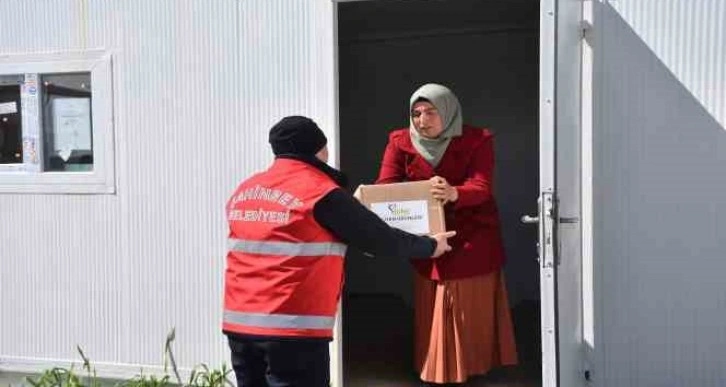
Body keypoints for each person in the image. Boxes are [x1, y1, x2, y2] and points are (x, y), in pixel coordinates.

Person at [222, 115, 456, 387]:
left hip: (239, 327)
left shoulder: (245, 190)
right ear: (317, 149)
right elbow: (379, 239)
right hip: (291, 329)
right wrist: (430, 246)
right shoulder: (321, 192)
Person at [375, 84, 518, 385]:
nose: (422, 120)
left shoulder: (477, 140)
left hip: (472, 234)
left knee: (467, 304)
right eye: (416, 113)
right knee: (435, 299)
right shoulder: (400, 142)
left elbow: (481, 187)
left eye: (431, 112)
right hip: (427, 235)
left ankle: (469, 368)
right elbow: (386, 186)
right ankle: (437, 370)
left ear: (449, 111)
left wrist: (454, 192)